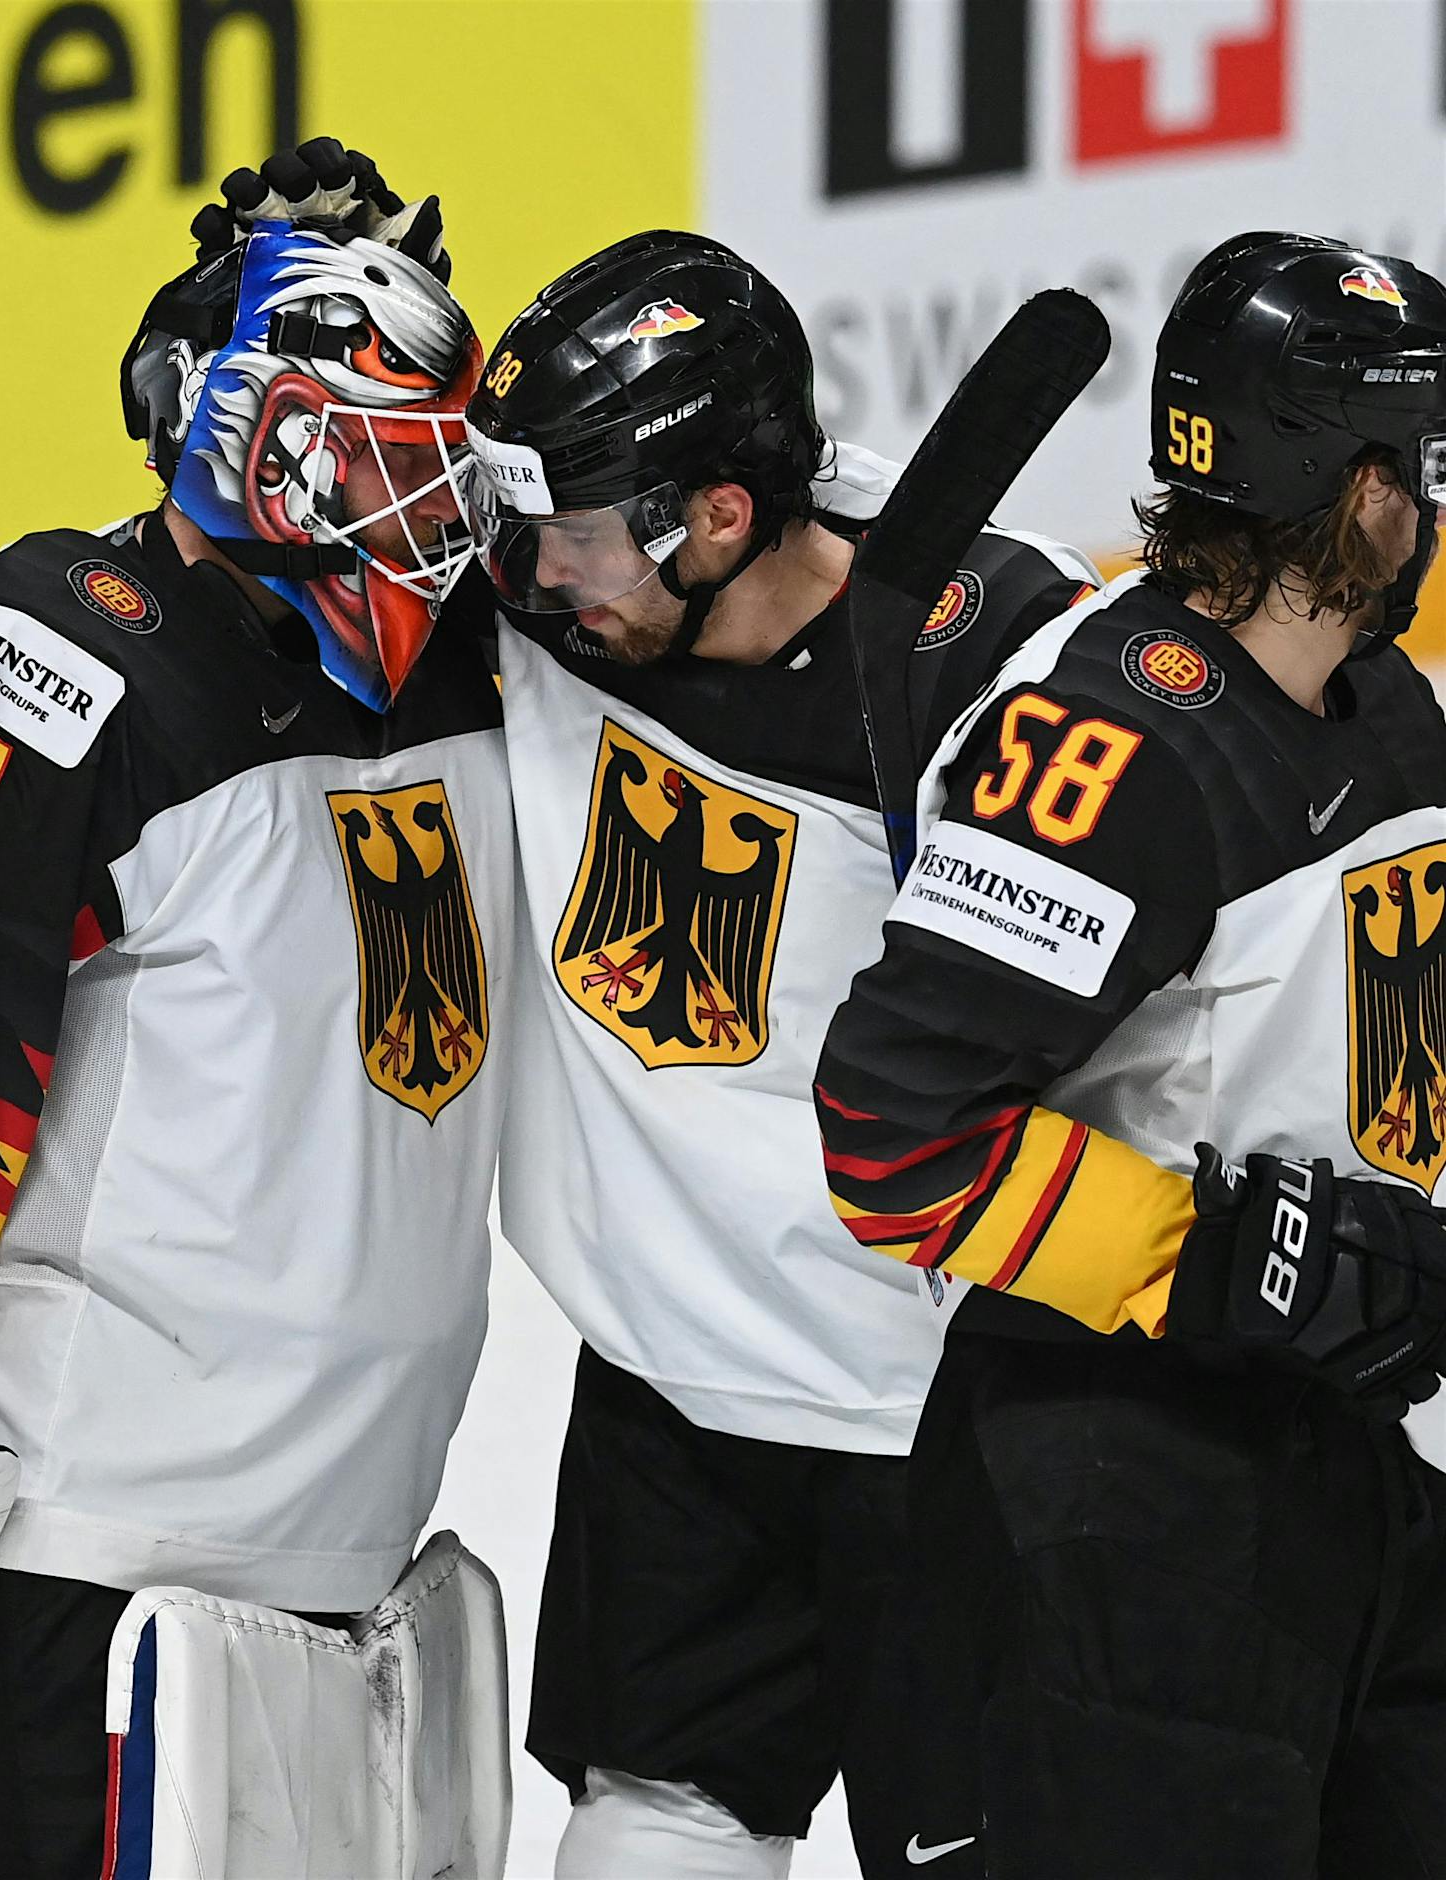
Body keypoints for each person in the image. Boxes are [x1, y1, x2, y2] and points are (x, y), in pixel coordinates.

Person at [0, 175, 516, 1878]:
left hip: (348, 1582)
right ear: (253, 447)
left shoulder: (465, 670)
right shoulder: (65, 653)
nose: (425, 510)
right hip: (78, 1590)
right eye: (373, 458)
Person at [459, 229, 1096, 1877]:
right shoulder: (550, 613)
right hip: (673, 1396)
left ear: (721, 520)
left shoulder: (1003, 658)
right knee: (642, 1832)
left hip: (940, 1424)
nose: (527, 578)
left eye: (573, 541)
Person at [815, 231, 1446, 1878]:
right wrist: (1229, 1262)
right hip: (1125, 1501)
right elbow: (894, 1136)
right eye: (1421, 458)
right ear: (1344, 482)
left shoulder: (1389, 713)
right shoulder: (1111, 752)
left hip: (1360, 1480)